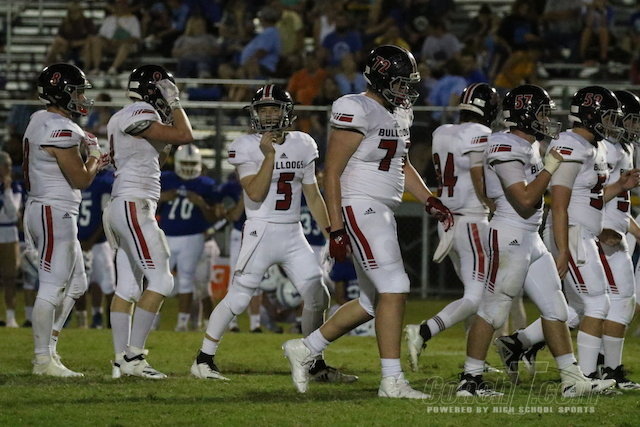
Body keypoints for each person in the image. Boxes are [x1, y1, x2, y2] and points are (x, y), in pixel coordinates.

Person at [281, 45, 454, 399]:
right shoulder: (355, 107)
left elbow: (401, 164)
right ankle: (391, 381)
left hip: (381, 208)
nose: (406, 90)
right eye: (401, 83)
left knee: (372, 302)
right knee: (396, 286)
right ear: (382, 79)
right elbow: (332, 172)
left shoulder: (397, 113)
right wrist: (336, 228)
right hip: (360, 205)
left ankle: (305, 347)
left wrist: (429, 199)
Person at [456, 84, 615, 397]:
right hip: (509, 235)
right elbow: (526, 198)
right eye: (541, 113)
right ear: (524, 114)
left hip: (530, 236)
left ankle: (572, 380)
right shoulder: (504, 144)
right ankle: (470, 380)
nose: (546, 119)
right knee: (493, 310)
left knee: (556, 308)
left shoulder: (528, 145)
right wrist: (551, 166)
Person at [191, 84, 353, 385]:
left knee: (318, 294)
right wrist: (269, 156)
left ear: (286, 112)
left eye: (274, 108)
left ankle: (313, 363)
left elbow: (313, 196)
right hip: (261, 229)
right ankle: (203, 359)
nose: (268, 115)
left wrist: (332, 234)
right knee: (239, 298)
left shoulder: (304, 143)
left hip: (293, 231)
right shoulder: (246, 145)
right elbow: (254, 192)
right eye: (262, 109)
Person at [495, 87, 640, 389]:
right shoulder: (571, 144)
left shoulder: (592, 146)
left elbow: (590, 197)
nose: (612, 124)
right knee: (596, 304)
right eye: (608, 117)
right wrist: (562, 249)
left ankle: (574, 373)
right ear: (592, 115)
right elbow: (559, 205)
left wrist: (619, 187)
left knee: (588, 305)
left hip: (584, 233)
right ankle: (582, 379)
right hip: (571, 233)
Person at [104, 64, 194, 379]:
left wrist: (166, 130)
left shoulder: (122, 115)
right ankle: (134, 357)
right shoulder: (139, 111)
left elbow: (158, 157)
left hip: (124, 203)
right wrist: (176, 103)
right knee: (162, 281)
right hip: (134, 204)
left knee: (128, 287)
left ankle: (120, 360)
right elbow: (186, 135)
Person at [404, 83, 499, 371]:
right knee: (477, 296)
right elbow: (479, 177)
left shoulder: (442, 132)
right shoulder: (481, 134)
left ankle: (476, 362)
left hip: (448, 221)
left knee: (476, 296)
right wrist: (495, 206)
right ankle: (424, 330)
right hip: (472, 220)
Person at [23, 63, 108, 376]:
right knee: (51, 286)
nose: (82, 98)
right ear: (61, 93)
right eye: (77, 92)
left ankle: (50, 348)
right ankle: (41, 360)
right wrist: (95, 155)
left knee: (77, 284)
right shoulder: (63, 129)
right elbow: (81, 179)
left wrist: (92, 158)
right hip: (53, 210)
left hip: (47, 208)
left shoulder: (38, 119)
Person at [158, 144, 222, 332]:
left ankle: (182, 324)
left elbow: (214, 217)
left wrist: (201, 203)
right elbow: (148, 206)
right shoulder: (166, 179)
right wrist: (161, 198)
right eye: (185, 163)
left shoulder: (206, 185)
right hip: (166, 236)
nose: (188, 167)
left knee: (187, 280)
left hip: (193, 237)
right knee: (157, 280)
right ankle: (152, 322)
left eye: (191, 163)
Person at [77, 164, 115, 329]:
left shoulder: (105, 182)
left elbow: (107, 217)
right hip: (79, 242)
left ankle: (111, 324)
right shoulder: (77, 178)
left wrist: (91, 241)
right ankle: (83, 322)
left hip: (99, 243)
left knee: (107, 285)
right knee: (79, 284)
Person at [0, 151, 22, 327]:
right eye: (5, 165)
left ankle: (10, 316)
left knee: (9, 278)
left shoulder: (15, 187)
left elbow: (13, 213)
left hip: (8, 233)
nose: (9, 169)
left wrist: (7, 189)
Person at [43, 1, 96, 66]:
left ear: (81, 11)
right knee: (57, 43)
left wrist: (79, 43)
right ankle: (46, 65)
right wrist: (67, 43)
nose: (74, 14)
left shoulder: (87, 21)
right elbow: (59, 36)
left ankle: (86, 69)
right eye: (71, 12)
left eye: (76, 11)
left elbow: (91, 37)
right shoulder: (65, 22)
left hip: (82, 46)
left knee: (88, 46)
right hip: (68, 45)